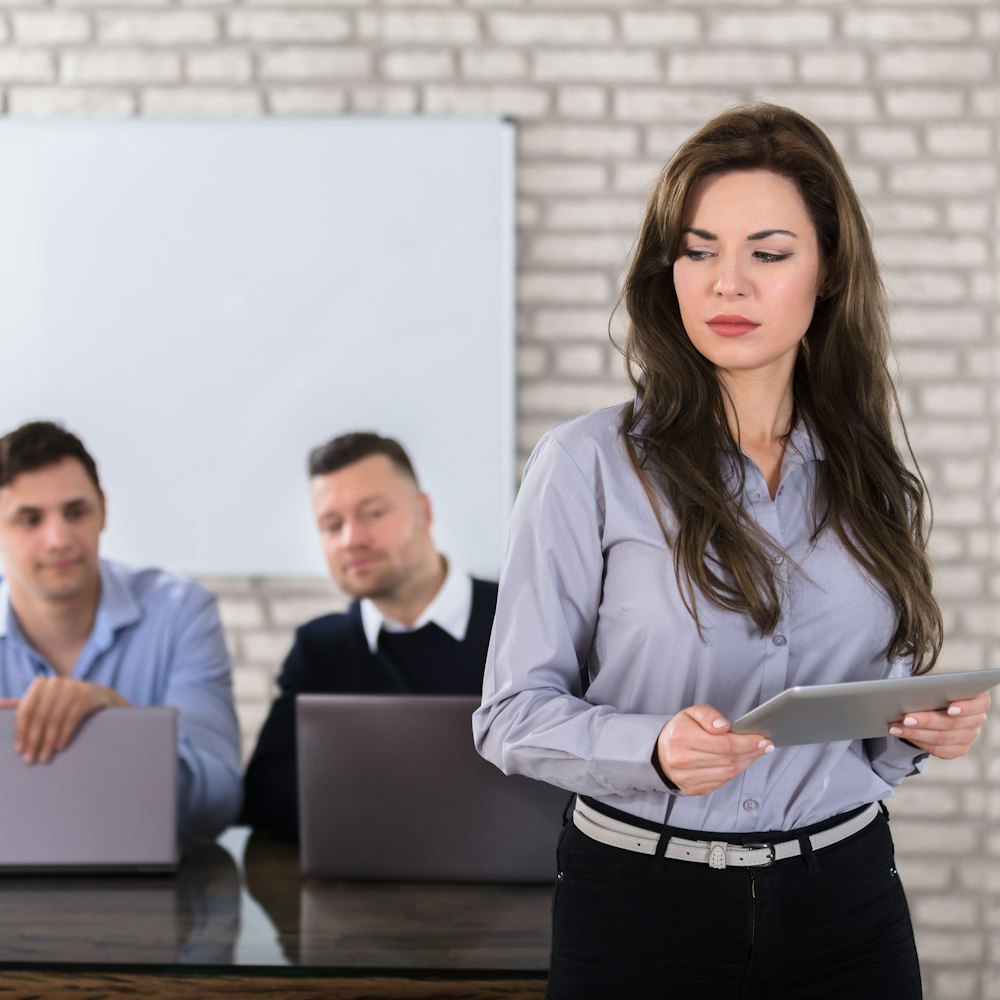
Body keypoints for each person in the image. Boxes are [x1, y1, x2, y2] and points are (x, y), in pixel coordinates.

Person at [473, 102, 990, 1000]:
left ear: (826, 271)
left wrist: (919, 732)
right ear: (666, 271)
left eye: (770, 252)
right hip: (640, 910)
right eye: (699, 250)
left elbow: (867, 748)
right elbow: (510, 714)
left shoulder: (872, 476)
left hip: (848, 903)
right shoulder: (586, 465)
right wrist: (654, 749)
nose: (728, 285)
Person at [243, 431, 498, 840]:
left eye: (373, 513)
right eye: (331, 525)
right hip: (357, 888)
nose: (351, 540)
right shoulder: (319, 649)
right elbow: (265, 796)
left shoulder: (516, 623)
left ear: (424, 511)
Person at [0, 421, 241, 843]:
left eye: (76, 513)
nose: (58, 539)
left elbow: (217, 801)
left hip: (150, 891)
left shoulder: (181, 612)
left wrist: (122, 723)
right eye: (30, 520)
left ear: (104, 510)